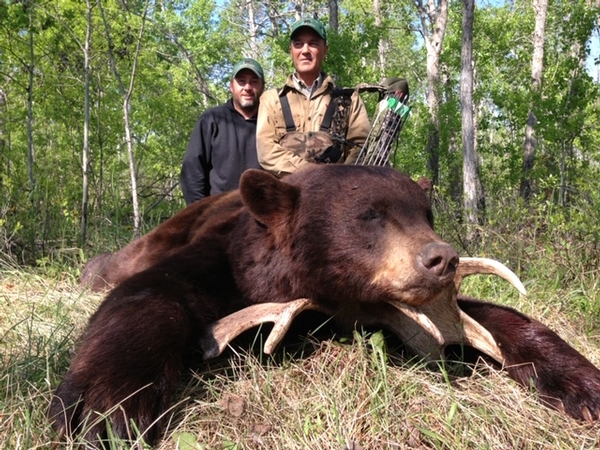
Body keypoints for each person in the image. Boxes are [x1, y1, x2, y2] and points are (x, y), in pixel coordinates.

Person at [256, 17, 371, 178]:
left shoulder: (349, 99)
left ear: (325, 50)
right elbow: (266, 151)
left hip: (336, 194)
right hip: (286, 195)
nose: (305, 50)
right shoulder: (271, 99)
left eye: (313, 43)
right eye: (298, 44)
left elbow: (361, 147)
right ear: (291, 51)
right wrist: (309, 172)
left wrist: (339, 180)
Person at [180, 58, 265, 204]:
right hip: (220, 214)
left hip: (261, 215)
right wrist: (201, 215)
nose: (247, 87)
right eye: (241, 81)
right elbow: (192, 172)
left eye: (254, 81)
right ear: (232, 86)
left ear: (263, 86)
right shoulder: (212, 119)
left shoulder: (272, 121)